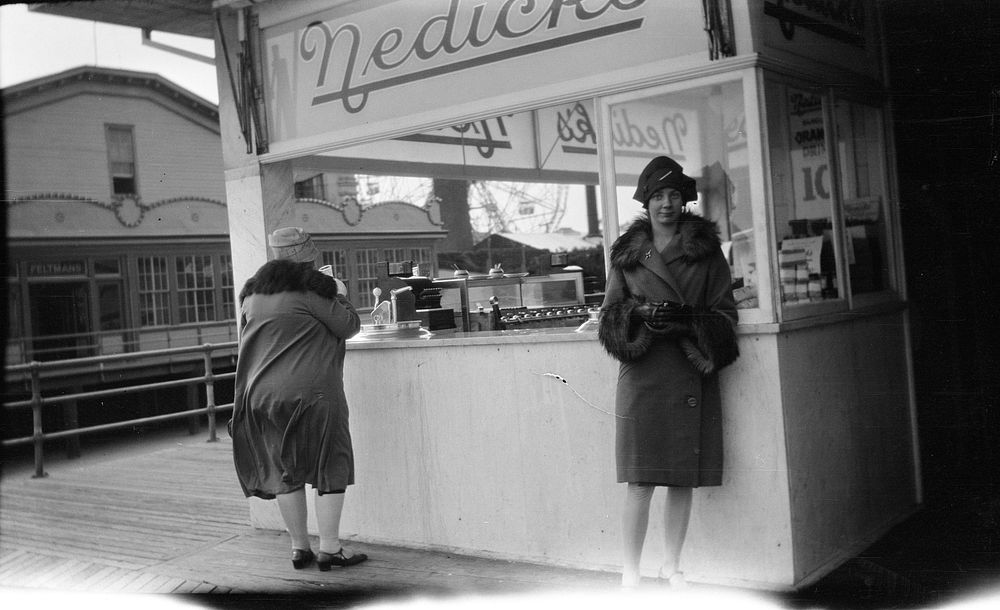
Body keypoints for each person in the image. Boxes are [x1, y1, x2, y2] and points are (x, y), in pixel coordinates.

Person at [598, 156, 739, 588]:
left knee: (681, 480)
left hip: (687, 370)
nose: (666, 204)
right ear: (645, 201)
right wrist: (638, 314)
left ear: (685, 200)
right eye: (657, 195)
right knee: (640, 482)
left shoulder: (707, 252)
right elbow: (608, 318)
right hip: (643, 375)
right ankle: (630, 570)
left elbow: (726, 315)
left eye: (674, 195)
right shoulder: (627, 254)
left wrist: (688, 322)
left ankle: (671, 565)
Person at [230, 227, 367, 571]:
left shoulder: (252, 295)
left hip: (261, 396)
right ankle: (331, 549)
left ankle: (299, 547)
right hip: (313, 394)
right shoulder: (313, 291)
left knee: (284, 470)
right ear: (310, 257)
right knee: (329, 463)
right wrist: (341, 293)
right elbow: (349, 325)